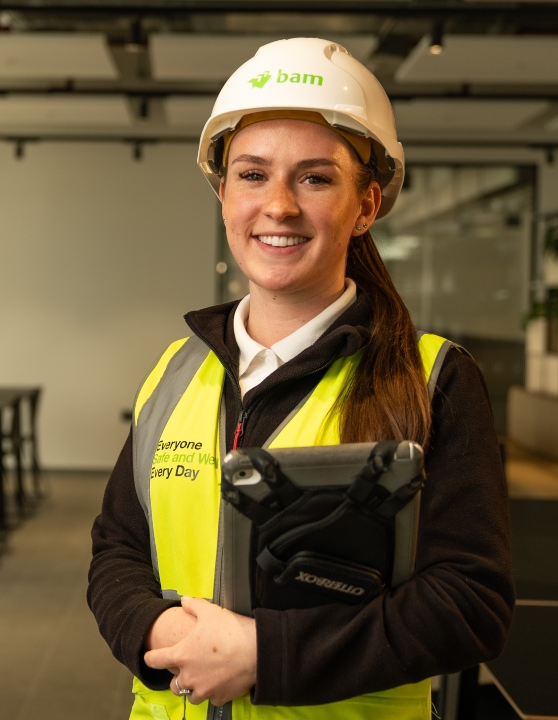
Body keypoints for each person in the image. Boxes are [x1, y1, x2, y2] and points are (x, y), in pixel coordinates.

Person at [87, 37, 514, 720]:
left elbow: (469, 604)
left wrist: (266, 655)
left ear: (366, 206)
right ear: (224, 193)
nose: (278, 206)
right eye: (252, 175)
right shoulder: (176, 371)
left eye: (315, 178)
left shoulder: (433, 379)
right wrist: (155, 632)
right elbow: (118, 548)